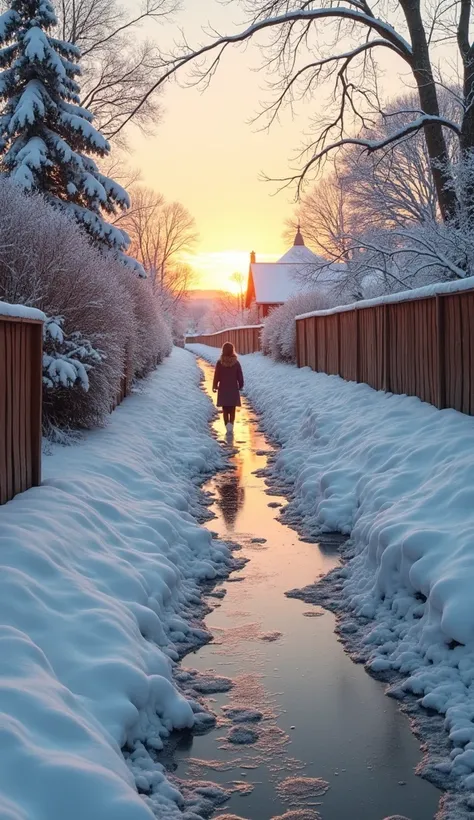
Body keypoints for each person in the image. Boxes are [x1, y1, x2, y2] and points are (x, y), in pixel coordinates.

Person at [212, 342, 244, 433]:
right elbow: (240, 376)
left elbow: (216, 376)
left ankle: (227, 426)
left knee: (225, 409)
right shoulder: (236, 363)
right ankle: (231, 425)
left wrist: (214, 386)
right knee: (232, 409)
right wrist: (241, 385)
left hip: (223, 389)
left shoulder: (220, 363)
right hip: (233, 389)